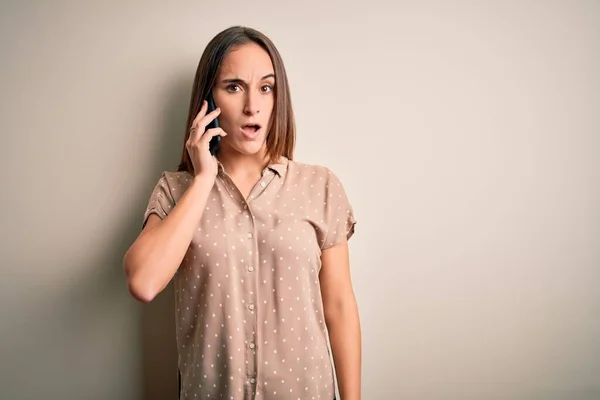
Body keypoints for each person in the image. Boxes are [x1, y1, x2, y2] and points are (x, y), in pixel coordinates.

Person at [123, 25, 361, 400]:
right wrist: (203, 179)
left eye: (266, 88)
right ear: (207, 100)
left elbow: (340, 306)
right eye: (234, 87)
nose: (253, 105)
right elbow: (143, 282)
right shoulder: (176, 190)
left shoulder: (321, 187)